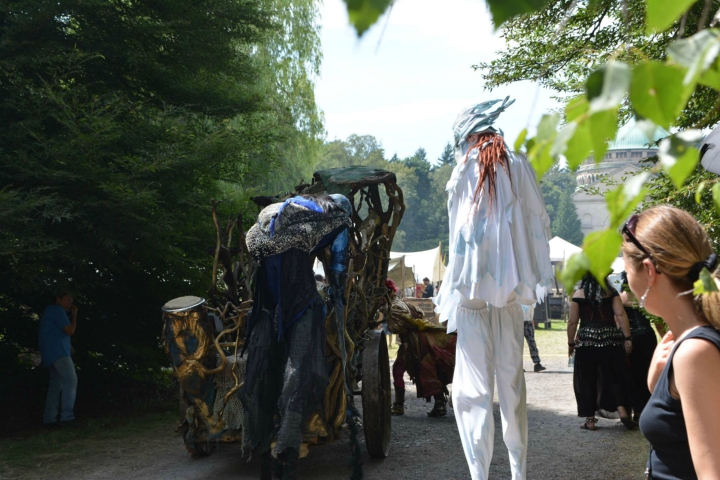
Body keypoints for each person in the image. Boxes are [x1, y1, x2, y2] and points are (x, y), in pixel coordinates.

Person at [434, 97, 554, 480]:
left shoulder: (462, 172)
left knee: (473, 392)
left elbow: (459, 237)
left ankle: (480, 475)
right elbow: (537, 224)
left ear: (466, 138)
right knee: (512, 384)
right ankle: (518, 472)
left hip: (471, 294)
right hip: (510, 295)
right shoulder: (518, 164)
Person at [240, 193, 352, 480]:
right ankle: (274, 455)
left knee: (281, 376)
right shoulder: (332, 221)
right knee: (276, 376)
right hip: (283, 308)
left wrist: (335, 288)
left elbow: (336, 262)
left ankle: (279, 454)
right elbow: (338, 264)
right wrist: (337, 290)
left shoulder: (271, 229)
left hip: (285, 307)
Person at [622, 206, 720, 479]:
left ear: (649, 270)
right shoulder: (687, 342)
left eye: (626, 267)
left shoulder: (695, 351)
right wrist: (659, 386)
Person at [567, 274, 635, 431]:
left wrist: (571, 343)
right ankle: (622, 411)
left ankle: (590, 421)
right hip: (611, 340)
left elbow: (572, 321)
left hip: (586, 343)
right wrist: (627, 338)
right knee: (614, 376)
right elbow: (620, 314)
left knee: (587, 380)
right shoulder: (611, 292)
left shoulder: (578, 294)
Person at [383, 279, 456, 417]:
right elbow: (419, 313)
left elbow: (396, 327)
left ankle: (399, 405)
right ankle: (439, 403)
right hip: (419, 339)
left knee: (404, 369)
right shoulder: (400, 302)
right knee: (428, 369)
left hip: (414, 342)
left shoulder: (393, 307)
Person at [619, 271, 657, 423]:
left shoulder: (620, 297)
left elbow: (618, 320)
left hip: (628, 338)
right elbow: (658, 321)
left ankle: (629, 409)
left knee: (628, 374)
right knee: (646, 373)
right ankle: (642, 411)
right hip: (647, 336)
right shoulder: (646, 297)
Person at [39, 293, 79, 427]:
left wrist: (70, 347)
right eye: (67, 299)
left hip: (50, 352)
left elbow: (55, 332)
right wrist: (74, 315)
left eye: (71, 300)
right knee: (70, 380)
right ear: (58, 299)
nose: (69, 302)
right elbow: (70, 331)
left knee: (56, 385)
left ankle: (49, 419)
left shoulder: (49, 311)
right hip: (58, 352)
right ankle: (67, 417)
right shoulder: (56, 309)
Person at [521, 304, 546, 372]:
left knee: (532, 344)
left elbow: (531, 315)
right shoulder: (518, 300)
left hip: (528, 323)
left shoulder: (531, 302)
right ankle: (518, 365)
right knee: (519, 346)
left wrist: (532, 326)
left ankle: (537, 363)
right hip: (519, 323)